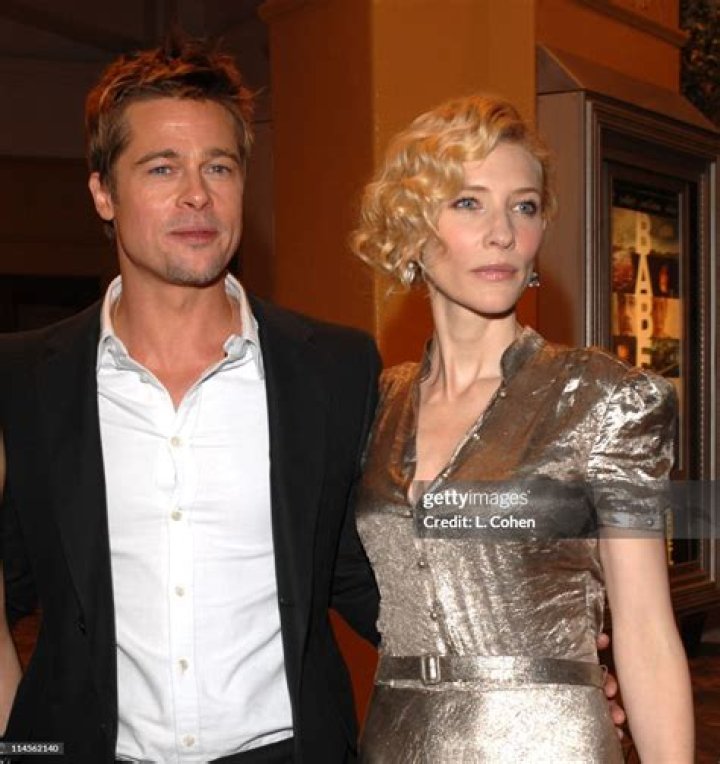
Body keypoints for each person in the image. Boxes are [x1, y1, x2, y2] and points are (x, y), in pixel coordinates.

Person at [0, 38, 381, 763]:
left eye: (219, 166)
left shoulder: (335, 369)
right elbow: (7, 586)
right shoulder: (21, 381)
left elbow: (359, 576)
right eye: (162, 167)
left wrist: (529, 667)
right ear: (103, 193)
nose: (197, 194)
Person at [351, 95, 694, 762]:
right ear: (411, 228)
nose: (503, 233)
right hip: (396, 742)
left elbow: (647, 631)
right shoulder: (377, 401)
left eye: (524, 206)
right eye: (469, 203)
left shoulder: (604, 400)